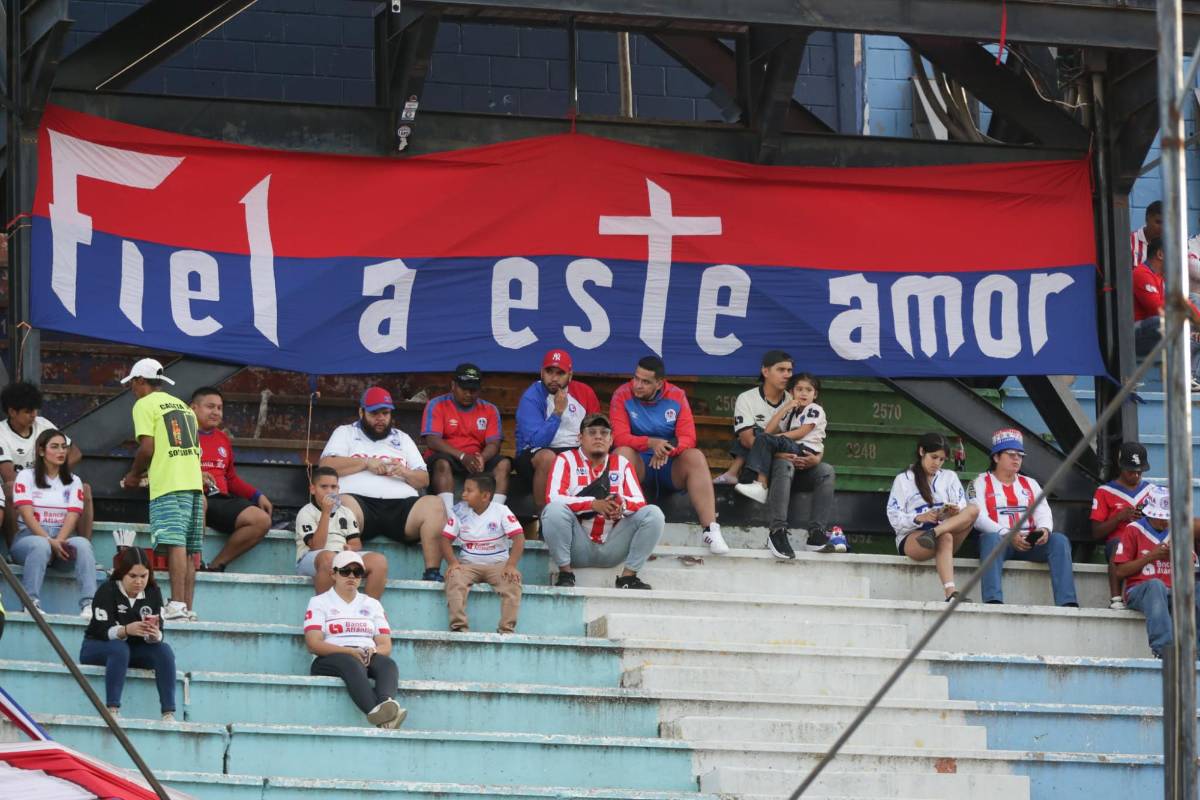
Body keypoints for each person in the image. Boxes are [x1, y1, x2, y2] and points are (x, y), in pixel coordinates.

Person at [319, 386, 447, 581]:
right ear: (361, 412)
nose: (381, 418)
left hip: (401, 508)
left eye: (385, 413)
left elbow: (424, 479)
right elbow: (327, 465)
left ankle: (432, 572)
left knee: (434, 504)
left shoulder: (402, 438)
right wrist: (365, 463)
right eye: (374, 413)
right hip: (359, 504)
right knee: (342, 503)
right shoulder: (345, 433)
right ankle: (340, 568)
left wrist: (404, 471)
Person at [610, 356, 727, 554]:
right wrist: (650, 443)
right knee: (621, 454)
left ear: (659, 383)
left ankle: (710, 529)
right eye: (636, 378)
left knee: (695, 456)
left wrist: (666, 448)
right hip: (639, 462)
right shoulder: (622, 394)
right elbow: (619, 437)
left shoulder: (677, 395)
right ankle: (618, 523)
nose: (637, 385)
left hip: (668, 463)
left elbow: (688, 437)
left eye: (645, 382)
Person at [120, 358, 204, 622]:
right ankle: (186, 607)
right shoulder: (183, 406)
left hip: (170, 483)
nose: (132, 389)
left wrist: (134, 475)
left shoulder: (144, 404)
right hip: (193, 482)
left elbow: (148, 447)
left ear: (140, 381)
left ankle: (176, 605)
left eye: (132, 383)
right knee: (189, 549)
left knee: (176, 544)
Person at [542, 412, 665, 589]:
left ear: (611, 439)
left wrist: (621, 505)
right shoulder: (566, 459)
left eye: (604, 432)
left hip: (613, 546)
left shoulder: (621, 463)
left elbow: (639, 501)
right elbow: (553, 498)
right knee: (553, 510)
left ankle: (628, 578)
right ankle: (566, 574)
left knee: (654, 513)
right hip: (576, 546)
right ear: (580, 438)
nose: (598, 436)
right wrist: (593, 504)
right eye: (592, 432)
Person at [734, 372, 845, 558]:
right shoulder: (791, 412)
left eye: (808, 390)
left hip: (804, 453)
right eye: (799, 389)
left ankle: (816, 533)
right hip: (786, 463)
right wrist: (785, 408)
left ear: (815, 394)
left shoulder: (814, 409)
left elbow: (802, 432)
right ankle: (777, 531)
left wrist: (773, 439)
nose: (803, 393)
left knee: (826, 471)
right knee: (774, 451)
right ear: (791, 392)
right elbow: (769, 429)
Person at [970, 429, 1078, 607]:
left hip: (1029, 542)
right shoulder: (979, 482)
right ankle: (993, 601)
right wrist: (1008, 534)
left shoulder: (1030, 483)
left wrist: (1044, 529)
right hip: (1000, 541)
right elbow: (978, 517)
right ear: (996, 457)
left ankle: (1067, 603)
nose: (1016, 459)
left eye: (1020, 455)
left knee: (1059, 540)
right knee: (990, 539)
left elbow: (1043, 511)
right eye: (1011, 455)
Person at [303, 550, 405, 729]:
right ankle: (379, 715)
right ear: (333, 574)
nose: (351, 576)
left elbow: (385, 645)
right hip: (331, 657)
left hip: (366, 653)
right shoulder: (319, 602)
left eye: (357, 572)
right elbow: (313, 644)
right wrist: (350, 651)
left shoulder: (372, 604)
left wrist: (372, 651)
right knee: (352, 663)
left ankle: (384, 707)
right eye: (345, 571)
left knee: (387, 664)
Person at [80, 548, 176, 721]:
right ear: (122, 574)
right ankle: (113, 709)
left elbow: (160, 629)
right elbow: (102, 630)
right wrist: (126, 630)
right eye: (133, 576)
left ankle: (168, 713)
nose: (139, 582)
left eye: (143, 576)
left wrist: (154, 635)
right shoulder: (107, 590)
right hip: (97, 645)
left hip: (134, 649)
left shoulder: (153, 592)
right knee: (119, 648)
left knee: (164, 650)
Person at [9, 429, 96, 615]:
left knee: (82, 544)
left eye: (64, 447)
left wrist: (58, 542)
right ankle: (30, 603)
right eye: (55, 447)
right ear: (41, 451)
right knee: (41, 545)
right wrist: (50, 541)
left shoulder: (74, 481)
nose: (61, 451)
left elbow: (73, 515)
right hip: (29, 539)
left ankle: (89, 605)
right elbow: (26, 515)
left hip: (62, 542)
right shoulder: (25, 476)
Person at [887, 432, 980, 601]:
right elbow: (894, 517)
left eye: (942, 459)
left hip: (945, 529)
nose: (937, 463)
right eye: (934, 457)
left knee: (973, 510)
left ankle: (935, 532)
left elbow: (963, 508)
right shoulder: (903, 479)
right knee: (944, 537)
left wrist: (953, 513)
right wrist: (918, 518)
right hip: (915, 537)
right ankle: (951, 593)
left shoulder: (949, 477)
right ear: (922, 452)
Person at [191, 387, 272, 572]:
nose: (216, 412)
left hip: (219, 500)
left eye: (219, 408)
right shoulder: (181, 435)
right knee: (199, 501)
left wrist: (257, 495)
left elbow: (231, 478)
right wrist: (195, 478)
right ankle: (194, 562)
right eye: (210, 406)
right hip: (193, 497)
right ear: (193, 408)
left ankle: (215, 566)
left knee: (262, 520)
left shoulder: (222, 438)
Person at [1113, 486, 1200, 658]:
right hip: (1140, 591)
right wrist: (1150, 557)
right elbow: (1120, 571)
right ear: (1150, 513)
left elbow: (1191, 566)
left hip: (1173, 592)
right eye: (1161, 518)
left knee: (1197, 589)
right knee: (1155, 585)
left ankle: (1195, 652)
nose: (1165, 522)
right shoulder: (1133, 529)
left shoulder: (1177, 531)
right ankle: (1164, 650)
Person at [0, 381, 93, 540]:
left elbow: (75, 453)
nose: (34, 415)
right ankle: (16, 549)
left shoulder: (42, 424)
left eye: (35, 410)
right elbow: (9, 476)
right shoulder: (1, 432)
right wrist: (38, 478)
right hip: (23, 488)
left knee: (84, 489)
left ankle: (86, 546)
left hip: (48, 481)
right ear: (12, 412)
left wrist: (53, 474)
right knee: (9, 488)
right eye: (28, 411)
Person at [514, 349, 601, 511]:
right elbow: (536, 441)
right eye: (549, 372)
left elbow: (596, 429)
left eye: (560, 373)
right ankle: (544, 517)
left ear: (570, 375)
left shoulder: (584, 392)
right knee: (548, 457)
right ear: (541, 372)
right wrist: (557, 413)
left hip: (574, 452)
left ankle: (590, 518)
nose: (553, 378)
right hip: (536, 456)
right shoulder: (532, 397)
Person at [421, 364, 512, 518]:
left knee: (504, 464)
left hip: (476, 459)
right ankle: (448, 519)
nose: (468, 393)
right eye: (464, 388)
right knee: (442, 463)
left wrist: (482, 458)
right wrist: (462, 456)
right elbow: (432, 440)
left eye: (473, 390)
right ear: (453, 385)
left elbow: (494, 443)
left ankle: (493, 518)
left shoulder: (489, 409)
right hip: (448, 456)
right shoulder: (437, 404)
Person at [441, 474, 525, 633]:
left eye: (469, 490)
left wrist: (511, 565)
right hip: (468, 565)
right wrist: (453, 563)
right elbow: (445, 539)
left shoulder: (501, 511)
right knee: (454, 578)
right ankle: (459, 628)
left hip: (498, 565)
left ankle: (506, 630)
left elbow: (519, 538)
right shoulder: (459, 511)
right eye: (464, 490)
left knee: (513, 583)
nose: (463, 494)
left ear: (485, 496)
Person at [295, 466, 389, 599]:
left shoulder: (346, 512)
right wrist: (326, 513)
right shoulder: (306, 512)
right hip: (312, 558)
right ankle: (326, 611)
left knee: (379, 561)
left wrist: (350, 548)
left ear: (338, 489)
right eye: (324, 487)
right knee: (329, 558)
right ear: (313, 489)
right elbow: (317, 546)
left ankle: (369, 611)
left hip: (341, 556)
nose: (329, 491)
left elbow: (356, 543)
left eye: (333, 487)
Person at [1091, 442, 1156, 610]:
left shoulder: (1153, 491)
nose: (1135, 475)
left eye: (1139, 471)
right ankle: (1116, 599)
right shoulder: (1104, 491)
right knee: (1118, 546)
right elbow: (1096, 533)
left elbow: (1167, 522)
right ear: (1121, 467)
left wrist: (1147, 518)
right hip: (1118, 542)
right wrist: (1120, 517)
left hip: (1147, 540)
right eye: (1130, 471)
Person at [713, 350, 793, 486]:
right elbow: (747, 441)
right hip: (759, 460)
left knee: (781, 463)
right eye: (781, 370)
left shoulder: (792, 400)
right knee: (757, 434)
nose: (787, 375)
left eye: (789, 370)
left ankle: (732, 473)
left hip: (787, 458)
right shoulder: (746, 398)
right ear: (765, 372)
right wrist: (777, 454)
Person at [1133, 237, 1200, 389]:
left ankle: (1190, 378)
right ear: (1161, 254)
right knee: (1166, 321)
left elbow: (1188, 305)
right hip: (1134, 336)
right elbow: (1157, 309)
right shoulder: (1141, 273)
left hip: (1159, 333)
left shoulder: (1166, 278)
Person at [1130, 200, 1162, 268]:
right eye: (1158, 222)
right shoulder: (1129, 241)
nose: (1162, 227)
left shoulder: (1170, 246)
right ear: (1147, 219)